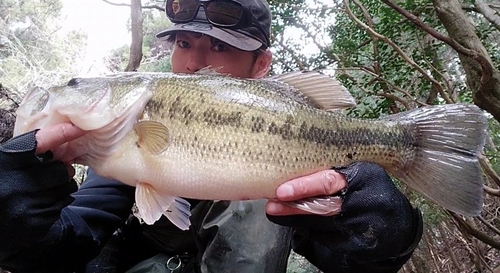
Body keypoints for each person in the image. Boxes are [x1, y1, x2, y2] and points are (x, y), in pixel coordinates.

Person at [0, 0, 423, 272]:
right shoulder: (116, 145)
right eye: (184, 43)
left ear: (262, 66)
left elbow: (352, 262)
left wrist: (389, 234)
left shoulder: (309, 149)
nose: (193, 62)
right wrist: (18, 217)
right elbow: (69, 240)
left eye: (221, 48)